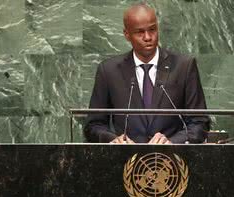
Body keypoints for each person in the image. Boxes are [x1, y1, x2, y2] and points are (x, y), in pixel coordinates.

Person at [84, 3, 209, 144]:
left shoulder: (183, 67)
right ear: (127, 34)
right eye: (140, 32)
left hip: (173, 160)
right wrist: (114, 140)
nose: (148, 37)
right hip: (125, 161)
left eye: (152, 30)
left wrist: (172, 142)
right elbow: (93, 125)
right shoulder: (109, 71)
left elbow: (200, 123)